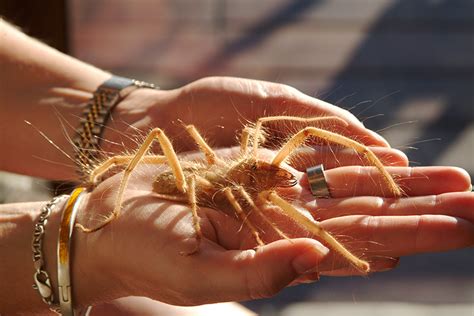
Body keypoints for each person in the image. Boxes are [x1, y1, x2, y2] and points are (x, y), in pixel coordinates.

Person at [0, 18, 473, 315]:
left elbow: (294, 133)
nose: (281, 177)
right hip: (177, 183)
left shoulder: (256, 165)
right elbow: (224, 190)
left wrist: (137, 111)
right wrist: (75, 239)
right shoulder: (232, 188)